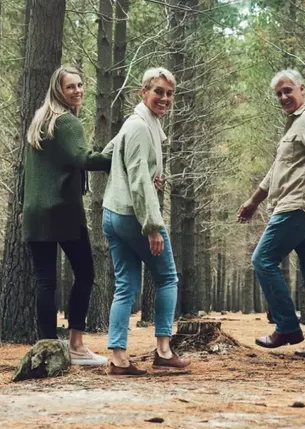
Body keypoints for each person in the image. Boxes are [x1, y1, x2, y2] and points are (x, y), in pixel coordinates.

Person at [237, 69, 305, 361]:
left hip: (299, 206)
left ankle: (287, 327)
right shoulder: (295, 124)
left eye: (288, 90)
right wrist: (253, 201)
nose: (283, 97)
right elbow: (277, 170)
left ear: (302, 89)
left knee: (263, 260)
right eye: (279, 93)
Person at [101, 67, 190, 375]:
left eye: (169, 93)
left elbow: (108, 153)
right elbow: (139, 181)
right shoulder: (140, 127)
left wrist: (135, 172)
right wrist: (152, 227)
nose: (164, 98)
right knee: (167, 277)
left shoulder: (136, 122)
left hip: (112, 213)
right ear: (143, 92)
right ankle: (163, 351)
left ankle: (119, 358)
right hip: (133, 216)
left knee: (126, 285)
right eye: (158, 92)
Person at [23, 66, 113, 366]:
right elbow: (83, 158)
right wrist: (120, 157)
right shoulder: (67, 121)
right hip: (62, 211)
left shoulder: (41, 121)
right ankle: (75, 346)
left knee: (45, 282)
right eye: (70, 86)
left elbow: (32, 171)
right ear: (58, 90)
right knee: (85, 273)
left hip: (35, 212)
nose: (77, 91)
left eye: (80, 85)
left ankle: (48, 351)